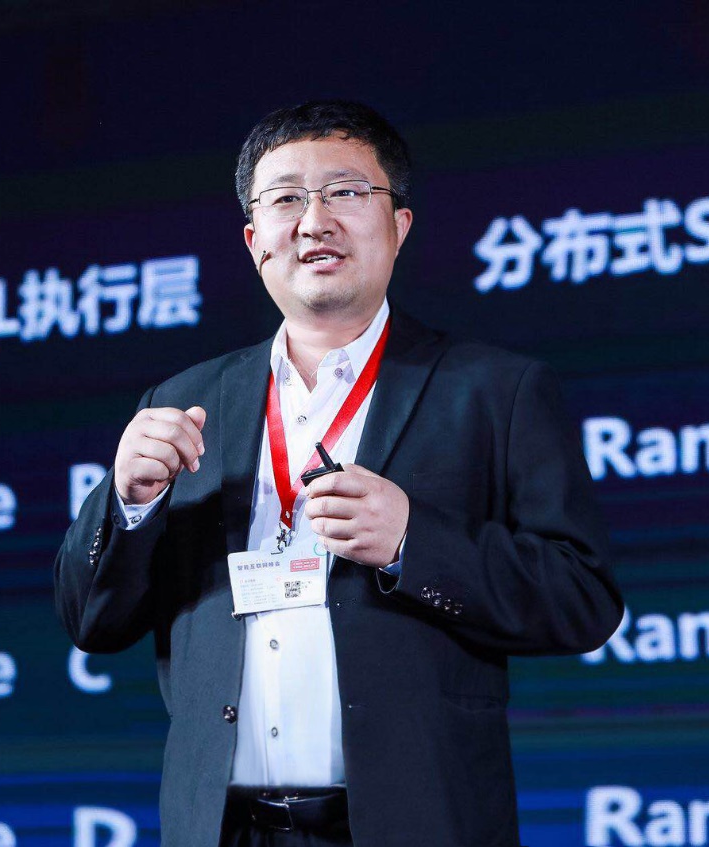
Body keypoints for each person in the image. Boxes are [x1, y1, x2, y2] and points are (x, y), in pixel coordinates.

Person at [55, 100, 623, 847]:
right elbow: (91, 621)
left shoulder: (493, 392)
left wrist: (412, 543)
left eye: (346, 192)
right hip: (224, 829)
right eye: (286, 199)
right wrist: (126, 503)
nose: (314, 221)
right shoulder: (184, 400)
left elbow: (583, 600)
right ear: (255, 242)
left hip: (413, 824)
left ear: (399, 225)